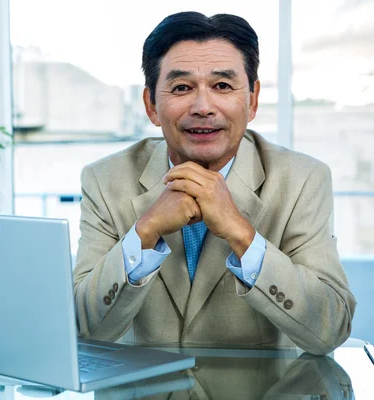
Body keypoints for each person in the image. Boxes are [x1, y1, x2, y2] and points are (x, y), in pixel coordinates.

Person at [73, 11, 356, 355]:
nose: (203, 107)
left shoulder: (302, 179)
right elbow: (83, 328)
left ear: (252, 99)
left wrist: (241, 233)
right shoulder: (105, 179)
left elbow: (330, 329)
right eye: (181, 87)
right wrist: (144, 232)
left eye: (222, 86)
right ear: (151, 105)